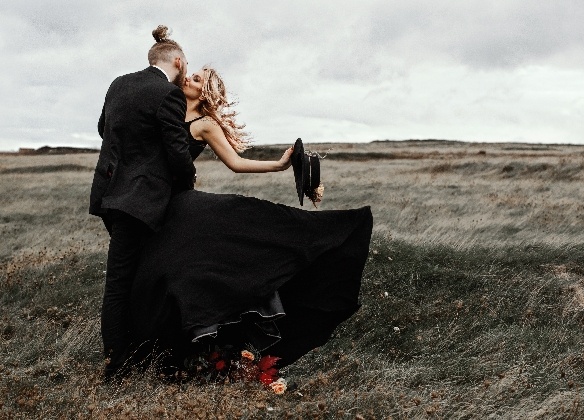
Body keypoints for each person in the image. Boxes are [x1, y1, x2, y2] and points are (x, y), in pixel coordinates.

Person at [126, 65, 374, 375]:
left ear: (205, 93)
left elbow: (236, 163)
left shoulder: (204, 124)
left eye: (197, 79)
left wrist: (280, 165)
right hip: (151, 205)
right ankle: (169, 351)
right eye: (190, 74)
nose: (188, 77)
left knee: (228, 243)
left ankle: (206, 349)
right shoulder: (164, 107)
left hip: (180, 204)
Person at [89, 26, 196, 379]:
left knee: (130, 277)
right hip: (143, 200)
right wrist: (186, 184)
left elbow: (104, 128)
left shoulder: (118, 84)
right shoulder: (169, 94)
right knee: (121, 282)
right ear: (177, 61)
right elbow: (178, 152)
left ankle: (134, 350)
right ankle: (116, 367)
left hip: (111, 193)